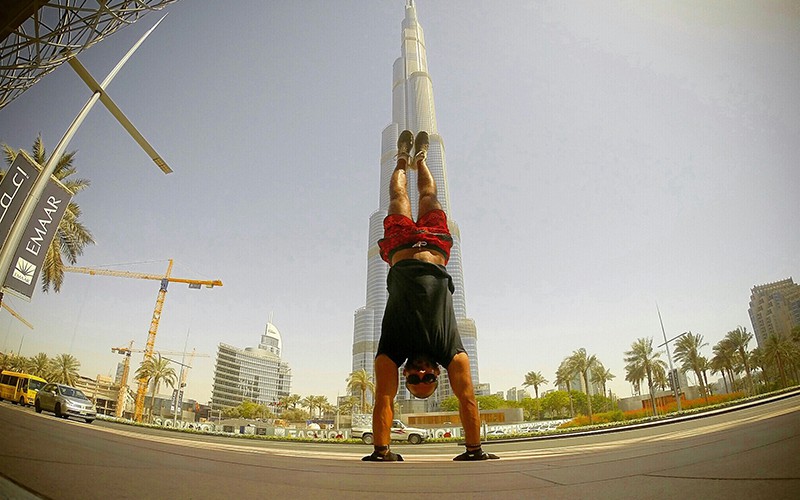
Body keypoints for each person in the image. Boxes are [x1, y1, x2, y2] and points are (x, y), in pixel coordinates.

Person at [362, 130, 499, 462]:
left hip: (400, 246)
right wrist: (474, 451)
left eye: (414, 378)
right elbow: (467, 398)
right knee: (428, 195)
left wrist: (381, 451)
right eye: (427, 378)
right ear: (439, 374)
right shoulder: (450, 351)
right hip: (435, 244)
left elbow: (384, 399)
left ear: (404, 375)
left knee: (397, 195)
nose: (420, 372)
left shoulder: (392, 352)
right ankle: (421, 159)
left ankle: (401, 159)